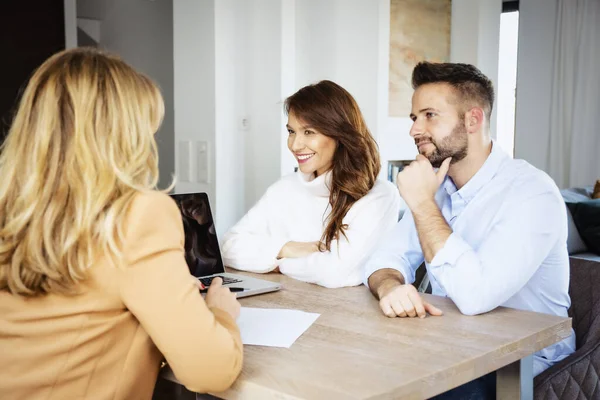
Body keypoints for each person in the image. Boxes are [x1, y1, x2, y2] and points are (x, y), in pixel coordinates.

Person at [0, 48, 242, 399]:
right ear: (122, 136)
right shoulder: (136, 215)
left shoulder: (12, 209)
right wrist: (222, 314)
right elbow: (211, 371)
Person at [364, 62, 575, 398]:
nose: (414, 130)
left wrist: (422, 204)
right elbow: (384, 258)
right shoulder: (440, 187)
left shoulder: (532, 192)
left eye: (429, 115)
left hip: (521, 363)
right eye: (413, 117)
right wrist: (390, 287)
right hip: (449, 347)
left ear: (473, 120)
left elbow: (475, 296)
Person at [222, 80, 401, 288]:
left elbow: (336, 272)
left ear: (340, 135)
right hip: (293, 304)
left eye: (309, 132)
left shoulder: (380, 196)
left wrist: (277, 263)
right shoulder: (284, 188)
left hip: (348, 315)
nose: (295, 145)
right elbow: (228, 247)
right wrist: (287, 248)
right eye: (291, 131)